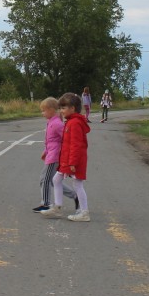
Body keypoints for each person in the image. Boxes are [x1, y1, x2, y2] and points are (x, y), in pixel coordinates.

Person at [41, 92, 92, 222]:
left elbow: (76, 145)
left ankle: (84, 212)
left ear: (72, 108)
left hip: (74, 161)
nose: (61, 111)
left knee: (77, 184)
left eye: (63, 108)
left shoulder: (75, 123)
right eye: (60, 108)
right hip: (67, 160)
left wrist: (72, 162)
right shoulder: (70, 122)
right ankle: (58, 208)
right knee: (56, 179)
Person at [33, 97, 77, 212]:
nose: (42, 113)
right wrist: (45, 152)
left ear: (52, 110)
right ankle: (74, 195)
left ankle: (46, 204)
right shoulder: (51, 122)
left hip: (54, 156)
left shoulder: (57, 124)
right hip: (51, 154)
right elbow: (50, 141)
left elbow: (66, 139)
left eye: (44, 110)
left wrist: (66, 155)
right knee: (53, 181)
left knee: (44, 179)